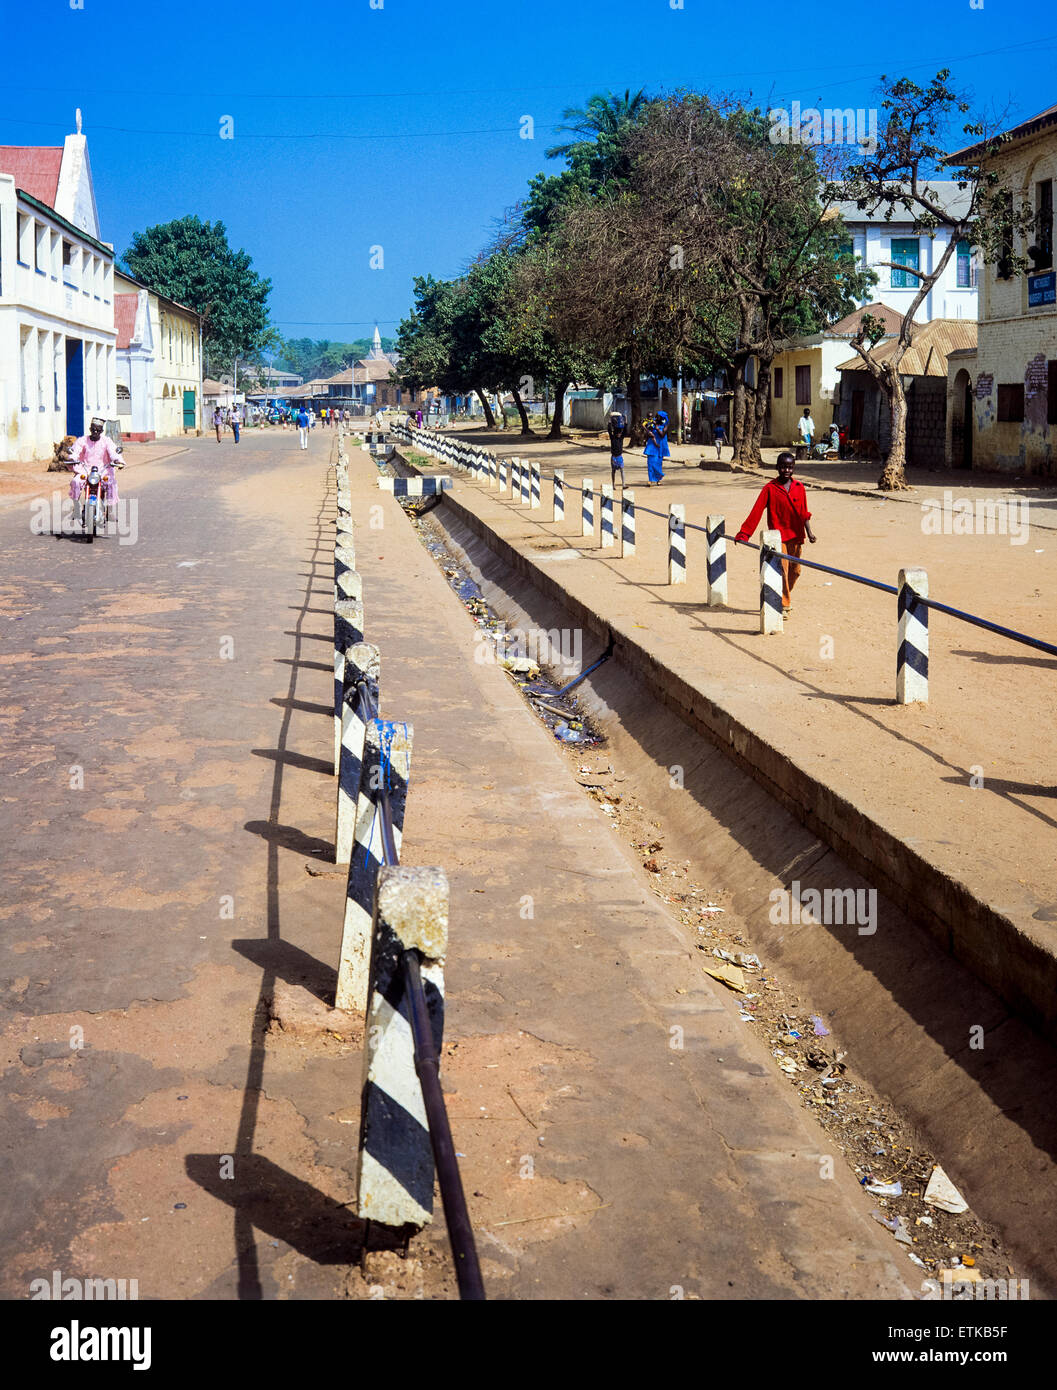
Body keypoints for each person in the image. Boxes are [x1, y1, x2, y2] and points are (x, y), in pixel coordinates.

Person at [735, 451, 817, 613]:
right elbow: (756, 511)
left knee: (795, 571)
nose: (786, 471)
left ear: (793, 468)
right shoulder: (770, 488)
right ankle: (784, 604)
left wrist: (809, 532)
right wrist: (744, 533)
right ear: (777, 468)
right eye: (783, 467)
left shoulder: (799, 488)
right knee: (783, 571)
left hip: (796, 536)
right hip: (778, 537)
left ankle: (780, 597)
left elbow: (804, 512)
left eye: (790, 467)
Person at [69, 417, 123, 512]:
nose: (95, 431)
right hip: (85, 471)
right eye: (93, 429)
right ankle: (76, 506)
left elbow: (113, 452)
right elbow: (75, 451)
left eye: (98, 430)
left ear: (101, 431)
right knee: (76, 482)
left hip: (103, 471)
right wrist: (73, 458)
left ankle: (110, 510)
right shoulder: (82, 440)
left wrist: (118, 460)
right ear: (90, 429)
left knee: (111, 483)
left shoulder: (107, 441)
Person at [643, 410, 669, 485]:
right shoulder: (652, 422)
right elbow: (647, 431)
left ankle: (658, 479)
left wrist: (657, 427)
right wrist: (649, 433)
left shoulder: (665, 425)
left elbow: (662, 435)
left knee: (658, 463)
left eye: (658, 417)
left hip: (660, 446)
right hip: (652, 445)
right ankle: (650, 480)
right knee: (650, 463)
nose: (656, 417)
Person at [606, 410, 627, 488]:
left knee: (622, 470)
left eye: (620, 433)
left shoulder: (621, 438)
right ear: (615, 433)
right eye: (618, 433)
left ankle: (623, 484)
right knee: (613, 471)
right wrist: (609, 422)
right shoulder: (613, 438)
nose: (619, 434)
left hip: (619, 457)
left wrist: (626, 422)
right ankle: (613, 484)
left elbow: (625, 431)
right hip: (613, 457)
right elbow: (609, 430)